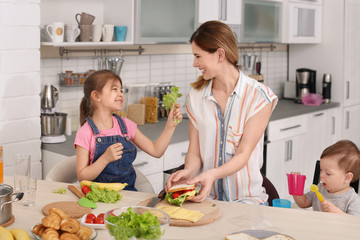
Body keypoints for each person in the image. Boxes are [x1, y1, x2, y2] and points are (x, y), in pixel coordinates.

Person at [165, 21, 278, 204]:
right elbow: (195, 153)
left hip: (247, 201)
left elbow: (243, 154)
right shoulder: (196, 97)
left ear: (219, 54)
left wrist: (212, 175)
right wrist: (188, 172)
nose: (195, 63)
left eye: (198, 56)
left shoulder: (259, 96)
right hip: (206, 198)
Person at [75, 70, 182, 191]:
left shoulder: (125, 125)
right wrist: (105, 159)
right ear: (96, 96)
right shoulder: (85, 132)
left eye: (121, 90)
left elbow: (156, 151)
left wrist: (170, 126)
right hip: (99, 199)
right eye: (114, 89)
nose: (120, 94)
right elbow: (82, 178)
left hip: (129, 196)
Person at [291, 140, 360, 215]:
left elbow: (353, 224)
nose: (321, 175)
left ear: (347, 178)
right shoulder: (320, 188)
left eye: (328, 173)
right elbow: (303, 203)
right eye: (321, 170)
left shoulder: (353, 200)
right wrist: (296, 188)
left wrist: (336, 212)